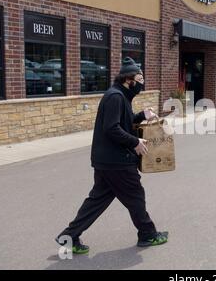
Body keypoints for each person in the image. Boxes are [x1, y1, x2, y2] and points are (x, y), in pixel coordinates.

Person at [56, 57, 168, 254]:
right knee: (135, 196)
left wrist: (141, 115)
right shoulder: (115, 97)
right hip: (117, 161)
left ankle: (69, 236)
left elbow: (123, 122)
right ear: (128, 80)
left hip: (106, 160)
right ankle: (148, 234)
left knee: (96, 201)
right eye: (139, 78)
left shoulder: (119, 96)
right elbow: (112, 129)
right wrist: (135, 141)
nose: (142, 83)